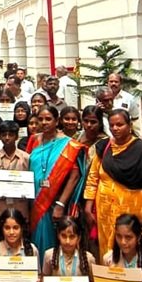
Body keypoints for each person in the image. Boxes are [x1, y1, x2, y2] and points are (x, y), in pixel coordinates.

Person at [84, 109, 142, 264]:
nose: (115, 128)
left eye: (120, 124)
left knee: (129, 250)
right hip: (104, 213)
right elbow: (93, 178)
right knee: (106, 254)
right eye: (112, 125)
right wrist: (88, 207)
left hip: (132, 212)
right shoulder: (103, 147)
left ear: (129, 125)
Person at [27, 106, 83, 256]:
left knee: (56, 240)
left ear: (56, 120)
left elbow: (75, 176)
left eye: (48, 119)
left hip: (55, 201)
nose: (44, 122)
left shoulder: (68, 144)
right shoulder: (34, 140)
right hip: (34, 199)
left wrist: (61, 204)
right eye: (40, 119)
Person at [0, 120, 31, 222]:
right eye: (4, 135)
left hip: (20, 205)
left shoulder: (26, 158)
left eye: (11, 135)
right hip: (1, 206)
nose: (7, 138)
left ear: (17, 137)